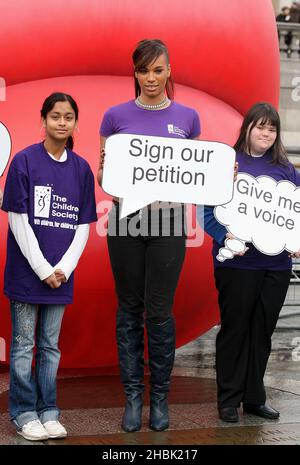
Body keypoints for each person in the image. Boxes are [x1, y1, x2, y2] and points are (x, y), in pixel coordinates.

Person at [97, 39, 200, 432]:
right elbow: (105, 176)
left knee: (159, 312)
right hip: (125, 221)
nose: (151, 78)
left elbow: (194, 174)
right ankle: (132, 398)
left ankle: (159, 399)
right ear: (135, 73)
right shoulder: (114, 116)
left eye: (158, 70)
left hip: (169, 225)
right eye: (144, 70)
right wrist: (114, 175)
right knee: (129, 310)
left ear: (169, 70)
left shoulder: (188, 119)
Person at [1, 92, 97, 441]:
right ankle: (24, 412)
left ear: (74, 122)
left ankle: (48, 411)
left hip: (61, 276)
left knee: (51, 345)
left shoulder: (82, 169)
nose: (61, 121)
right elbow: (17, 218)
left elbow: (83, 224)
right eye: (55, 115)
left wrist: (64, 268)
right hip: (28, 274)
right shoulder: (25, 162)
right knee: (24, 344)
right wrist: (43, 268)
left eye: (68, 116)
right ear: (43, 120)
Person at [201, 102, 300, 423]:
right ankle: (228, 398)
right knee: (235, 329)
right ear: (247, 128)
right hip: (237, 264)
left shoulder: (286, 170)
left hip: (276, 266)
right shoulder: (228, 163)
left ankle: (255, 397)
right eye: (260, 127)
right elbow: (206, 212)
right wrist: (225, 237)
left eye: (272, 129)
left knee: (263, 331)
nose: (266, 133)